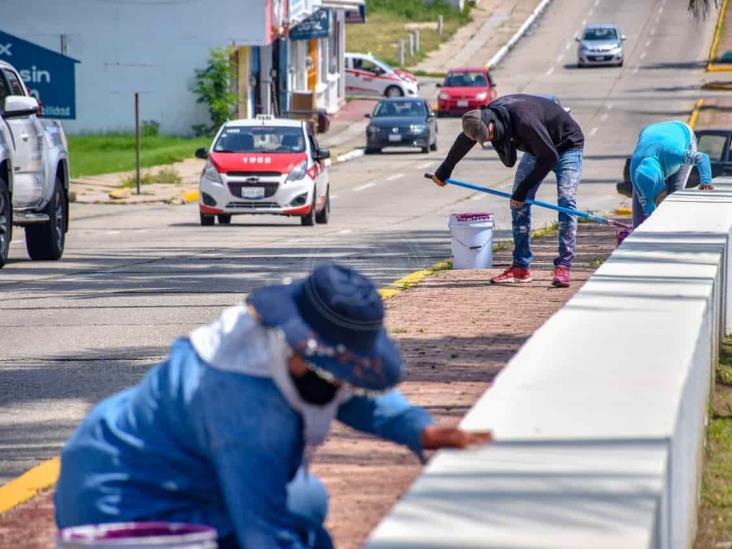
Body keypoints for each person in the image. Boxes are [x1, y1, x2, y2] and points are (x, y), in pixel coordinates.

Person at [54, 263, 491, 549]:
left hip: (188, 474)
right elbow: (262, 530)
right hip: (124, 500)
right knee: (293, 529)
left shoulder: (291, 346)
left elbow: (349, 394)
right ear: (311, 349)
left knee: (308, 500)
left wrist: (418, 429)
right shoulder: (247, 402)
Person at [431, 94, 584, 288]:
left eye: (491, 134)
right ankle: (521, 267)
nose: (492, 139)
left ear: (491, 122)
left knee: (566, 202)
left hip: (567, 146)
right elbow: (465, 139)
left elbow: (550, 158)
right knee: (517, 204)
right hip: (538, 147)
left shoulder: (524, 121)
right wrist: (445, 169)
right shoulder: (482, 118)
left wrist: (522, 191)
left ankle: (564, 265)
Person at [629, 120, 713, 228]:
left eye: (658, 196)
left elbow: (702, 158)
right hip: (649, 134)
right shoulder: (636, 172)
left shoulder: (673, 153)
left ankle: (675, 228)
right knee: (639, 210)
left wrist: (705, 181)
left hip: (682, 133)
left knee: (675, 191)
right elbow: (646, 206)